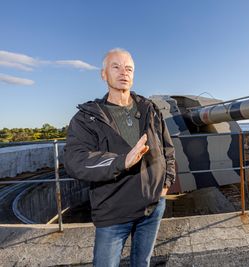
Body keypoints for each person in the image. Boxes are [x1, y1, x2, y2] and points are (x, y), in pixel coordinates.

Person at [64, 48, 176, 267]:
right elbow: (75, 160)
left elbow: (168, 149)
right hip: (112, 213)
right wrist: (121, 162)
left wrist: (166, 184)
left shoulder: (150, 109)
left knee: (141, 263)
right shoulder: (87, 118)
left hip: (152, 207)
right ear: (103, 74)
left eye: (129, 68)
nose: (123, 72)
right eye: (116, 67)